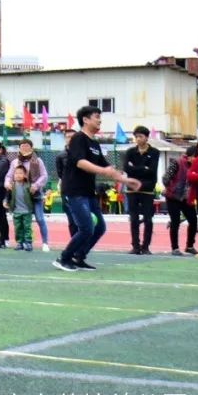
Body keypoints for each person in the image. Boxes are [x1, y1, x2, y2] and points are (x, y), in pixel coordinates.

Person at [55, 105, 140, 272]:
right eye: (96, 117)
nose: (100, 120)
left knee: (99, 227)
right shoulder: (78, 139)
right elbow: (80, 162)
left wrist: (126, 180)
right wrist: (103, 171)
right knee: (86, 228)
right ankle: (64, 258)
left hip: (88, 192)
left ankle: (78, 257)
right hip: (74, 191)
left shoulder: (94, 143)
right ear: (85, 120)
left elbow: (106, 166)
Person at [5, 139, 50, 252]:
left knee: (40, 219)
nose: (24, 148)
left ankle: (45, 243)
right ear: (19, 148)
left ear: (31, 148)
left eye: (27, 146)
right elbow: (9, 176)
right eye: (22, 146)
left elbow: (44, 176)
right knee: (20, 222)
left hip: (35, 195)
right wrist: (7, 183)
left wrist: (36, 185)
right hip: (20, 196)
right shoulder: (15, 162)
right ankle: (22, 242)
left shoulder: (38, 161)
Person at [123, 125, 160, 255]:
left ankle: (145, 247)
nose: (138, 139)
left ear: (147, 137)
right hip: (132, 188)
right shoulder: (130, 152)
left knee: (148, 219)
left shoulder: (154, 152)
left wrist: (136, 168)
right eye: (136, 137)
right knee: (133, 219)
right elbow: (127, 169)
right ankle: (135, 246)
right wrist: (142, 168)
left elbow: (152, 171)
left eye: (141, 136)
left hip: (147, 189)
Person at [163, 146, 198, 255]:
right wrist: (172, 188)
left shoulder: (197, 167)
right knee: (175, 221)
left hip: (186, 198)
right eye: (196, 157)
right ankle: (175, 248)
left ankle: (190, 246)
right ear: (190, 156)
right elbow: (165, 178)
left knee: (193, 220)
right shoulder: (177, 163)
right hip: (173, 197)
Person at [5, 165, 35, 251]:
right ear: (13, 175)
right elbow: (7, 196)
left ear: (25, 175)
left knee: (27, 227)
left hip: (27, 211)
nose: (18, 175)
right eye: (16, 173)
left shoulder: (28, 186)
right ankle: (19, 243)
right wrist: (5, 201)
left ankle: (28, 242)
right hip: (16, 211)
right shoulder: (11, 186)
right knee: (18, 227)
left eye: (21, 173)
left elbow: (33, 196)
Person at [54, 129, 77, 237]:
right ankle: (74, 243)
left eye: (73, 137)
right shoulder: (60, 156)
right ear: (65, 139)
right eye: (68, 137)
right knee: (72, 219)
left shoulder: (83, 154)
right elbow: (60, 174)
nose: (71, 139)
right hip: (67, 190)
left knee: (83, 220)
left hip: (82, 190)